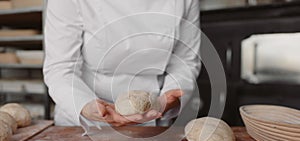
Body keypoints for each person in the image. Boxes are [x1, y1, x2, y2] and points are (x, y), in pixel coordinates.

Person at [43, 0, 201, 130]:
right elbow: (61, 68)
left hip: (153, 120)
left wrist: (166, 99)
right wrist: (85, 106)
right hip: (86, 122)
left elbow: (185, 61)